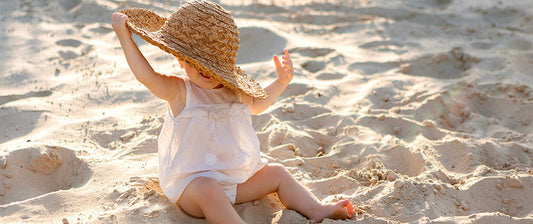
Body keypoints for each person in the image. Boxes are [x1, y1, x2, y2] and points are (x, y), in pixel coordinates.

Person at [111, 0, 354, 223]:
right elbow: (146, 76)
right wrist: (124, 37)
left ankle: (315, 209)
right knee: (209, 189)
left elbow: (259, 104)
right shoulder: (180, 91)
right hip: (192, 187)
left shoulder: (233, 91)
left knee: (277, 173)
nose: (203, 69)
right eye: (195, 62)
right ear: (180, 60)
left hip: (235, 179)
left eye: (210, 63)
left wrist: (280, 83)